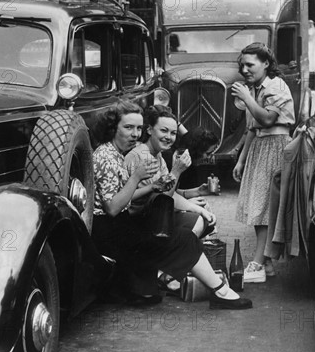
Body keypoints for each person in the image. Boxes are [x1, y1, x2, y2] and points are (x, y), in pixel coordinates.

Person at [92, 99, 252, 309]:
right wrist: (142, 177)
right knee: (182, 238)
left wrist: (155, 186)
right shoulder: (107, 156)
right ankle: (219, 290)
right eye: (128, 127)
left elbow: (137, 196)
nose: (135, 134)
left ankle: (210, 288)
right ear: (114, 127)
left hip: (121, 227)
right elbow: (113, 208)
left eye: (138, 128)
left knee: (183, 236)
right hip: (111, 232)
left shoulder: (117, 153)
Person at [231, 42, 295, 283]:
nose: (245, 69)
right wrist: (241, 160)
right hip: (260, 147)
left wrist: (247, 97)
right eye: (242, 65)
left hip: (275, 146)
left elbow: (268, 119)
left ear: (266, 63)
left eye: (250, 64)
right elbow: (252, 128)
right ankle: (265, 263)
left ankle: (258, 263)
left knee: (265, 208)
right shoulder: (256, 88)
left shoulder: (275, 85)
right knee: (258, 207)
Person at [124, 105, 216, 239]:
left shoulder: (158, 155)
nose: (169, 137)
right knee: (198, 221)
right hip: (137, 221)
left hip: (150, 216)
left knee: (202, 216)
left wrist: (194, 199)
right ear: (149, 130)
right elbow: (163, 199)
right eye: (164, 131)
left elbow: (166, 192)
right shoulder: (142, 156)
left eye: (173, 133)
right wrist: (176, 172)